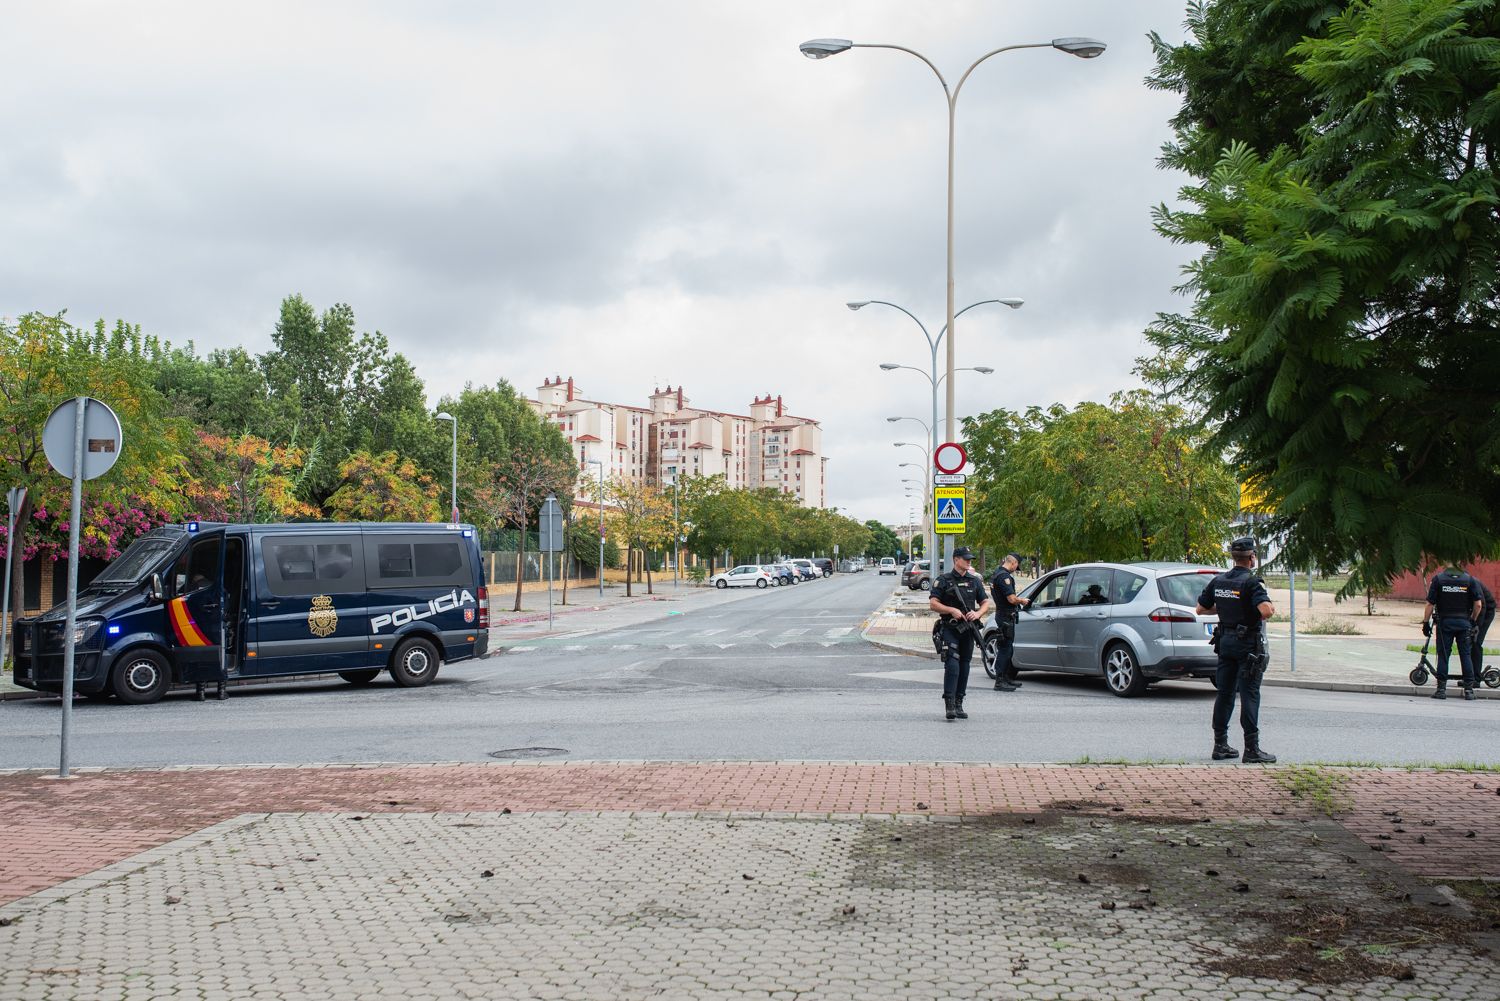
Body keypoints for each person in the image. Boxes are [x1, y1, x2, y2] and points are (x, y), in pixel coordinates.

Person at [1195, 538, 1276, 763]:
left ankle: (1220, 745)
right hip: (1247, 645)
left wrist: (1225, 609)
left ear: (1234, 558)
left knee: (1225, 693)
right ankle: (1252, 749)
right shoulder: (1252, 582)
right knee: (1249, 693)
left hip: (1225, 643)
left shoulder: (1219, 581)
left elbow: (1201, 609)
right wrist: (1262, 608)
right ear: (1252, 558)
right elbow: (1266, 611)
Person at [930, 545, 993, 720]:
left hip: (968, 629)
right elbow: (933, 603)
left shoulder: (974, 581)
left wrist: (978, 613)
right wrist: (950, 610)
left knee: (965, 666)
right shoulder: (943, 580)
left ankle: (959, 702)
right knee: (952, 665)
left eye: (970, 559)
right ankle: (949, 704)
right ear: (956, 559)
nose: (968, 561)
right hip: (950, 628)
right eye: (965, 559)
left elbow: (985, 602)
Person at [1423, 566, 1483, 700]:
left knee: (1444, 655)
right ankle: (1468, 690)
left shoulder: (1438, 579)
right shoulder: (1469, 580)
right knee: (1465, 654)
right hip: (1464, 623)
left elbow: (1429, 604)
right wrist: (1472, 620)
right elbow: (1478, 604)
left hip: (1445, 623)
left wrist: (1426, 623)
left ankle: (1441, 690)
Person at [988, 552, 1030, 693]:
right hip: (1005, 616)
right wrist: (1022, 600)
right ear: (1013, 563)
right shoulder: (1004, 577)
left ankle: (1006, 678)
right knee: (1005, 649)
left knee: (1007, 647)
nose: (1015, 569)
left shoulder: (996, 574)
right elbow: (1011, 599)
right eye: (1016, 566)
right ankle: (1000, 681)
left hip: (1002, 615)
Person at [1474, 578, 1496, 688]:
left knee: (1475, 643)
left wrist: (1476, 626)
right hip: (1477, 611)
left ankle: (1476, 679)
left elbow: (1481, 607)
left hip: (1486, 612)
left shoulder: (1473, 583)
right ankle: (1469, 676)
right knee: (1467, 643)